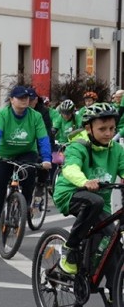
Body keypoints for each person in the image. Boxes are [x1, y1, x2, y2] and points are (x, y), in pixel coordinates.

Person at [52, 103, 124, 276]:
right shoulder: (78, 146)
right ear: (88, 128)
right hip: (70, 194)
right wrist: (84, 181)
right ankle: (70, 250)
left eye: (112, 128)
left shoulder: (116, 150)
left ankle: (113, 296)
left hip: (100, 202)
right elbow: (70, 168)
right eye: (102, 129)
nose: (108, 133)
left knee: (113, 243)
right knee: (94, 202)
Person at [0, 85, 52, 244]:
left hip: (26, 153)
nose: (24, 101)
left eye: (26, 98)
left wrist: (46, 159)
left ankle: (23, 207)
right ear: (12, 100)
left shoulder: (35, 116)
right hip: (2, 154)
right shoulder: (3, 114)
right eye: (20, 98)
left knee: (28, 180)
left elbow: (43, 139)